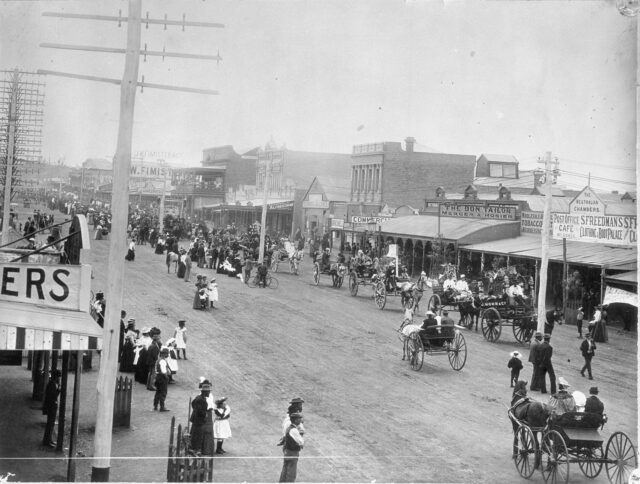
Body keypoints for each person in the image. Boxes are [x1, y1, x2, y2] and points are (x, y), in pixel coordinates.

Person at [190, 382, 214, 455]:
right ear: (205, 392)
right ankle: (196, 450)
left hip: (197, 420)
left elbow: (193, 404)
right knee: (198, 436)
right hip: (199, 421)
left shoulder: (199, 397)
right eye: (208, 391)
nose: (209, 393)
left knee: (196, 435)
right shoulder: (201, 400)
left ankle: (195, 449)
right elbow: (200, 410)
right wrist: (205, 414)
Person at [279, 412, 304, 483]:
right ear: (295, 420)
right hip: (292, 453)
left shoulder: (289, 428)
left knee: (285, 470)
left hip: (287, 452)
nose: (300, 420)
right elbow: (301, 442)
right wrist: (301, 433)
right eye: (299, 419)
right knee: (291, 473)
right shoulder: (294, 430)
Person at [42, 369, 61, 448]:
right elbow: (52, 396)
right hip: (51, 407)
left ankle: (49, 439)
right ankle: (47, 441)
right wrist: (58, 391)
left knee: (51, 424)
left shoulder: (53, 383)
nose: (59, 378)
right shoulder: (52, 385)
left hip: (52, 406)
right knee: (50, 424)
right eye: (58, 377)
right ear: (56, 377)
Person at [153, 347, 170, 412]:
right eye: (167, 353)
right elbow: (163, 371)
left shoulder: (158, 360)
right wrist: (166, 377)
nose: (167, 355)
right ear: (164, 354)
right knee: (163, 392)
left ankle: (155, 406)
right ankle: (162, 407)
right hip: (162, 378)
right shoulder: (163, 361)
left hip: (158, 377)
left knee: (158, 392)